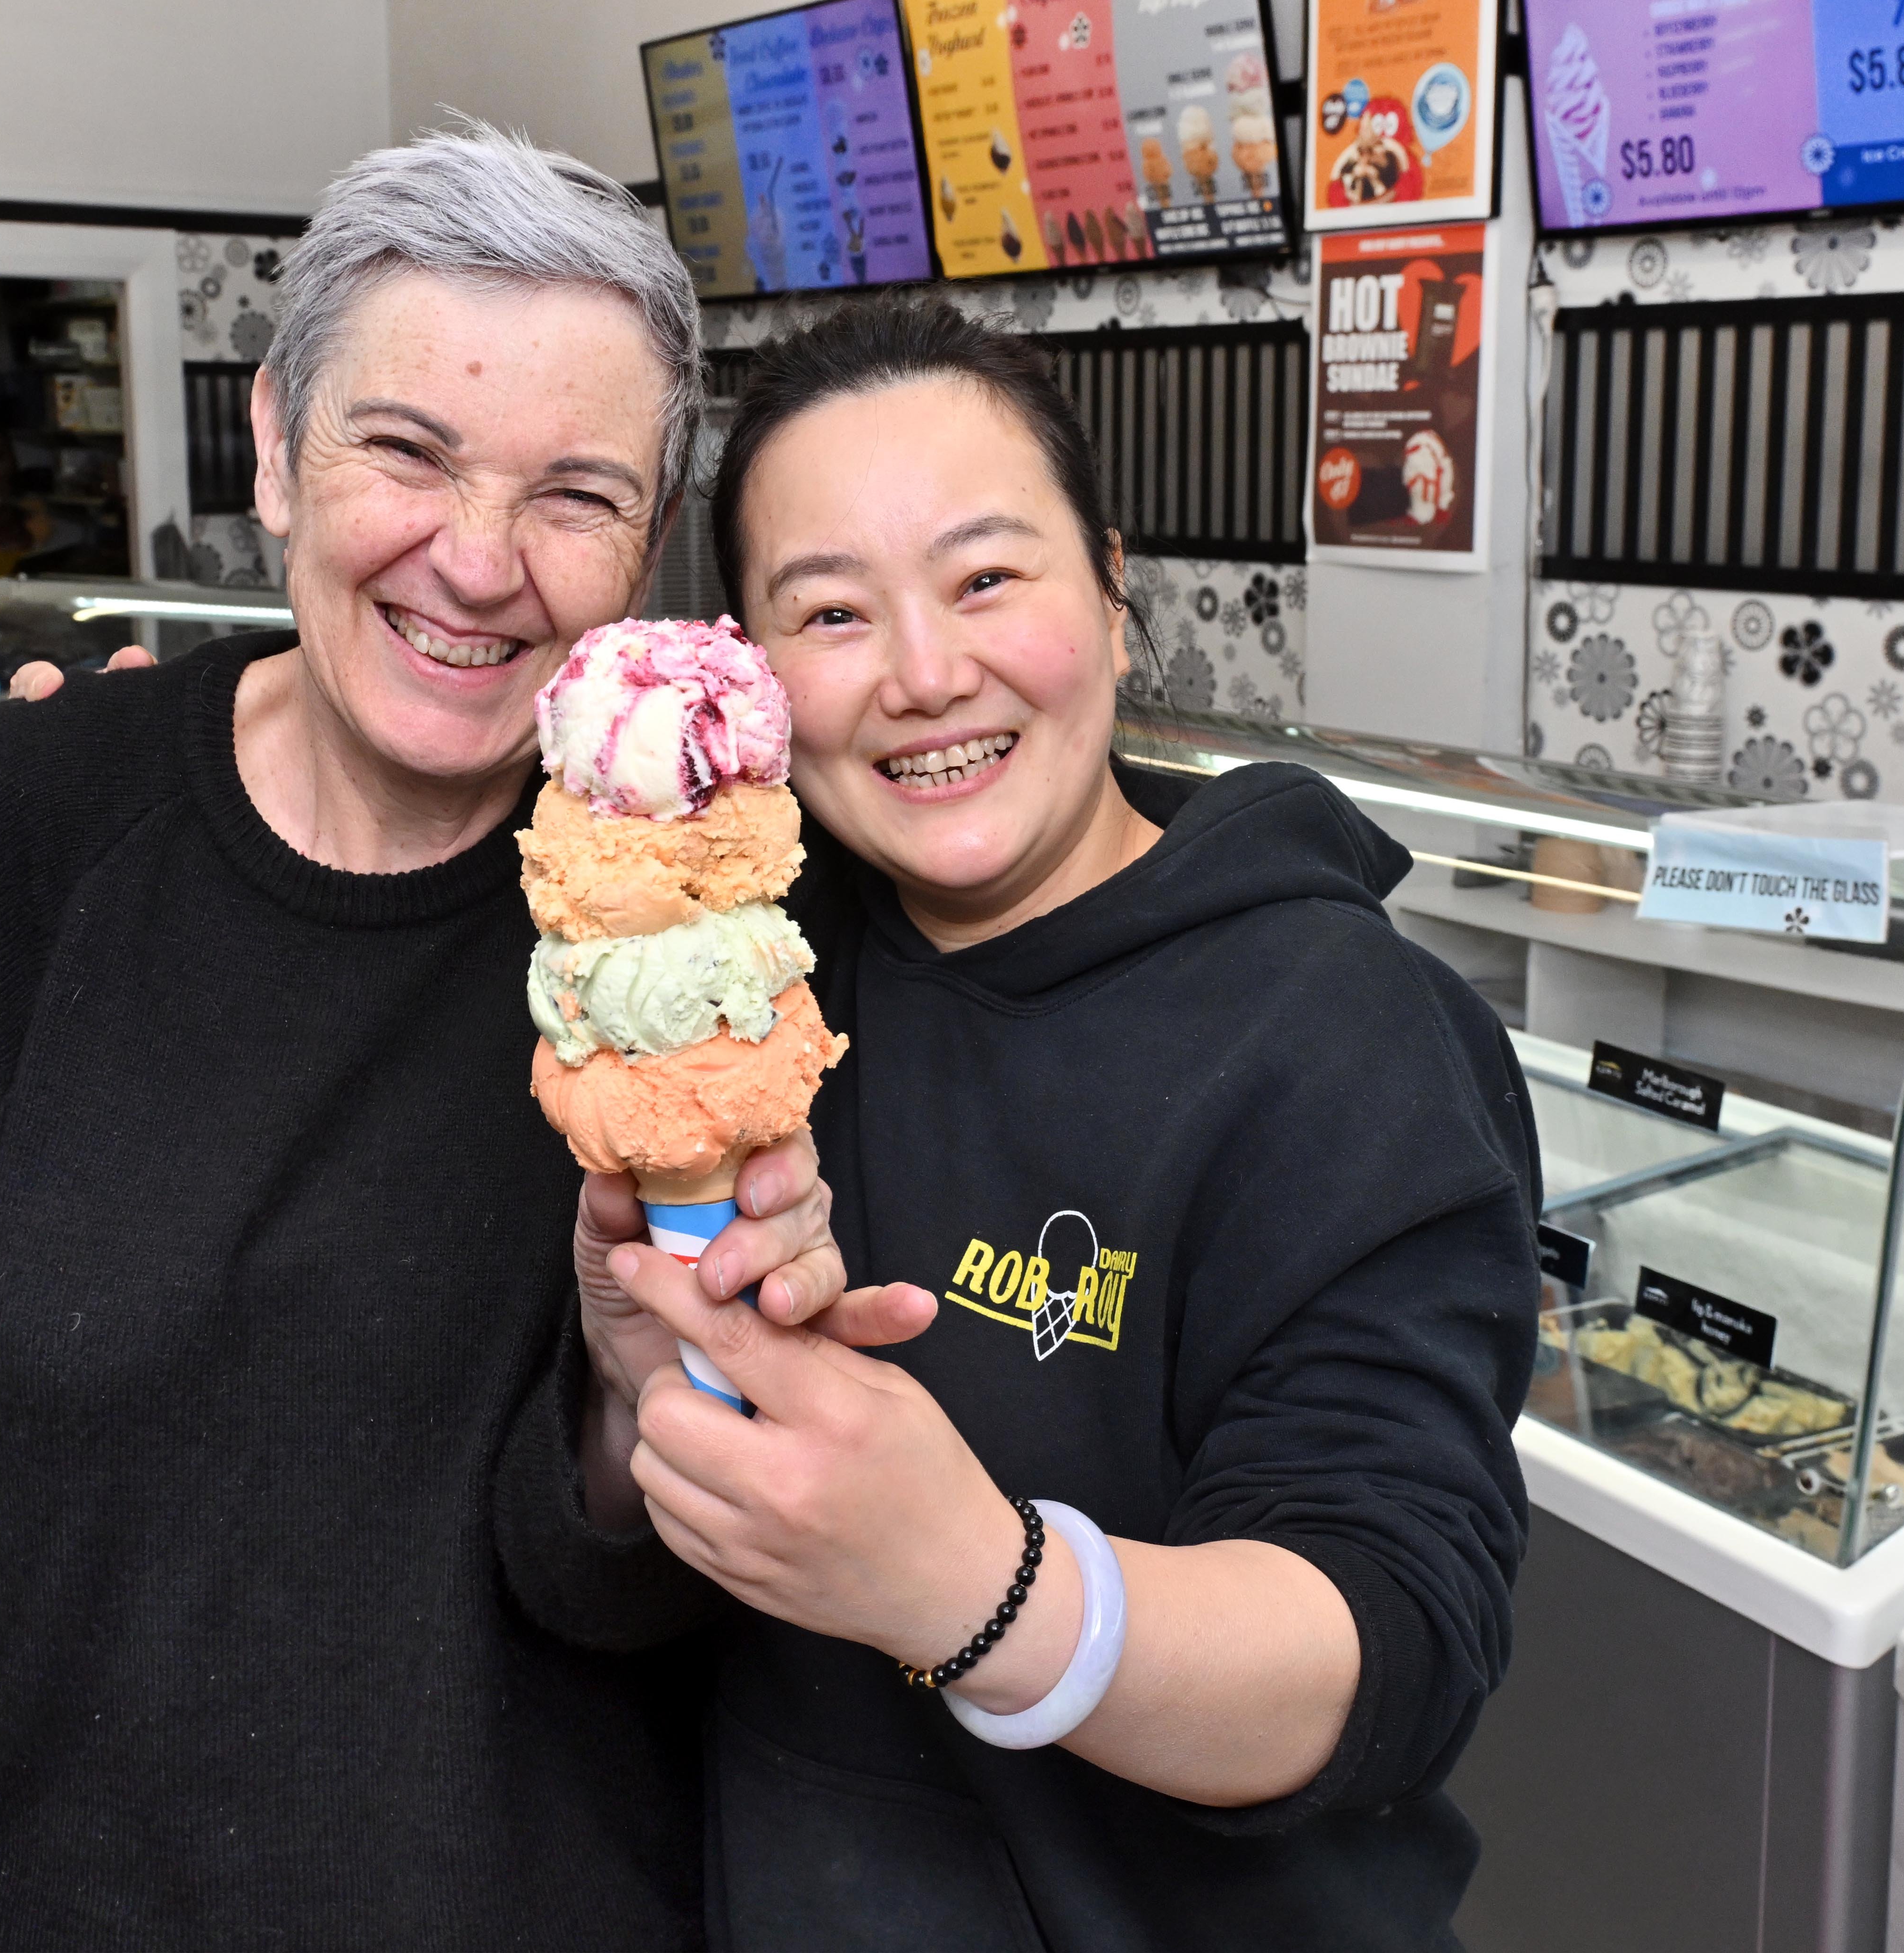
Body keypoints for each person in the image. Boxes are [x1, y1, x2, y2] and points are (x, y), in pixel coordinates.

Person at [0, 124, 895, 1950]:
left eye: (578, 495)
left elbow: (670, 1589)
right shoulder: (47, 814)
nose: (480, 561)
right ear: (276, 449)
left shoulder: (705, 926)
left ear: (651, 546)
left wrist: (646, 1383)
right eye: (406, 452)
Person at [593, 299, 1543, 1948]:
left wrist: (975, 1584)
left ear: (1111, 595)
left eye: (985, 578)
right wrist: (641, 1403)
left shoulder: (1345, 1036)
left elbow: (1385, 1643)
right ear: (754, 677)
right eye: (829, 612)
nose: (923, 674)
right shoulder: (747, 994)